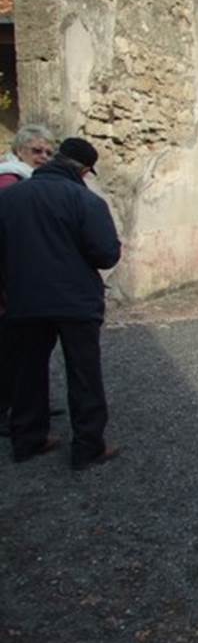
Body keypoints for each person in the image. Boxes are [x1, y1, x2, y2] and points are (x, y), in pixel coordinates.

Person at [0, 137, 121, 468]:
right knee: (83, 374)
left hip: (25, 299)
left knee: (27, 371)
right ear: (84, 170)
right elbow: (106, 253)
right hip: (75, 301)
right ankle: (88, 446)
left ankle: (27, 439)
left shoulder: (9, 198)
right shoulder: (86, 201)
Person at [0, 125, 56, 436]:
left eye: (48, 152)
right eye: (36, 151)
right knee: (11, 351)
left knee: (25, 350)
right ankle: (10, 412)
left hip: (21, 278)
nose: (43, 157)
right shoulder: (9, 182)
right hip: (10, 281)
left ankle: (28, 404)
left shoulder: (28, 181)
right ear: (19, 150)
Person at [0, 124, 55, 188]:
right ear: (20, 150)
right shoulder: (8, 178)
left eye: (49, 153)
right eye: (37, 150)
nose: (44, 156)